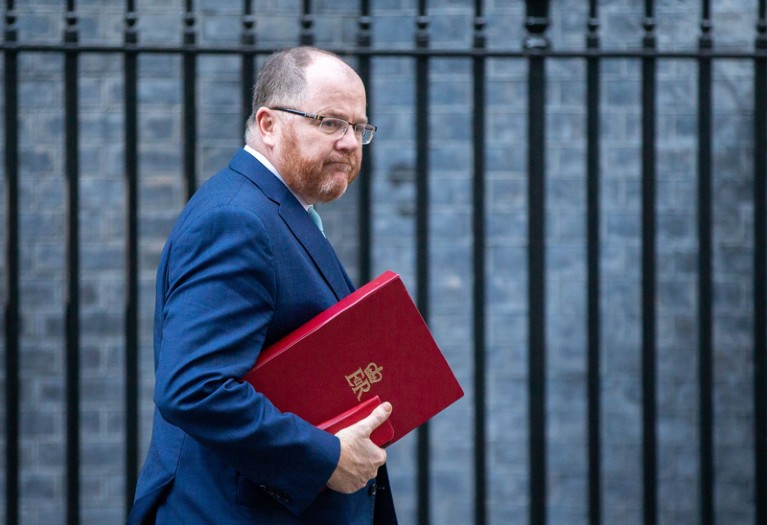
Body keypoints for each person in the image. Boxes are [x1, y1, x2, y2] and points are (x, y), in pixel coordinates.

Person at [127, 46, 397, 525]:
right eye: (331, 122)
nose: (351, 143)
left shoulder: (280, 211)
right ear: (269, 125)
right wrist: (325, 456)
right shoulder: (236, 219)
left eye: (359, 127)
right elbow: (193, 387)